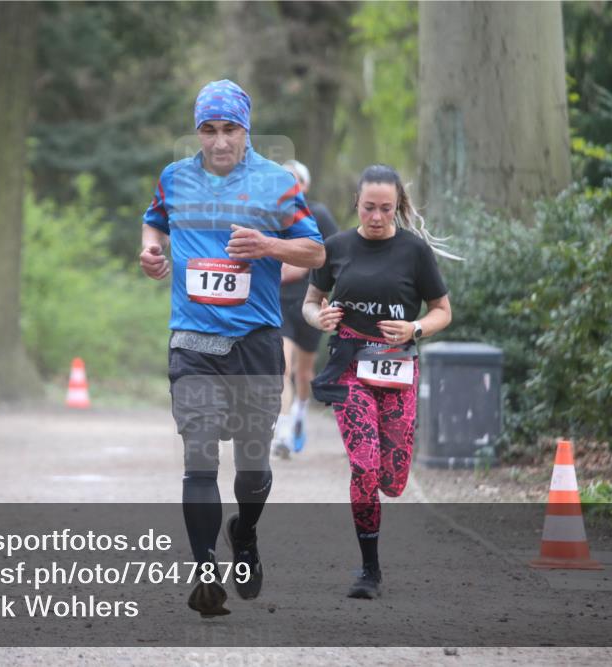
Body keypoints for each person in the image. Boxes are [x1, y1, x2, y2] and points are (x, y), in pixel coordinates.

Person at [140, 80, 325, 617]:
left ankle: (243, 534)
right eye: (208, 129)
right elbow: (154, 222)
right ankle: (205, 571)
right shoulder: (174, 178)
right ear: (197, 130)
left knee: (251, 469)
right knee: (199, 456)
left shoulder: (276, 183)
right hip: (193, 342)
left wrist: (268, 245)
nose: (219, 141)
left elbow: (313, 251)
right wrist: (151, 253)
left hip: (256, 343)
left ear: (247, 129)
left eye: (230, 129)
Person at [303, 164, 456, 599]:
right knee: (364, 466)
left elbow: (442, 310)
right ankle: (369, 571)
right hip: (350, 366)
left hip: (398, 368)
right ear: (356, 203)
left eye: (386, 209)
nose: (376, 216)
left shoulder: (414, 251)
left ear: (397, 207)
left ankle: (376, 535)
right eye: (369, 207)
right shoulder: (334, 247)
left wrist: (416, 329)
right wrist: (321, 316)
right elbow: (311, 305)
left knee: (392, 479)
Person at [272, 159, 340, 459]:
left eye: (293, 180)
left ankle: (299, 413)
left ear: (305, 186)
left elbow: (336, 253)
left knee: (304, 373)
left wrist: (303, 266)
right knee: (282, 368)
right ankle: (283, 434)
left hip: (312, 302)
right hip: (277, 304)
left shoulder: (319, 214)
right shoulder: (268, 217)